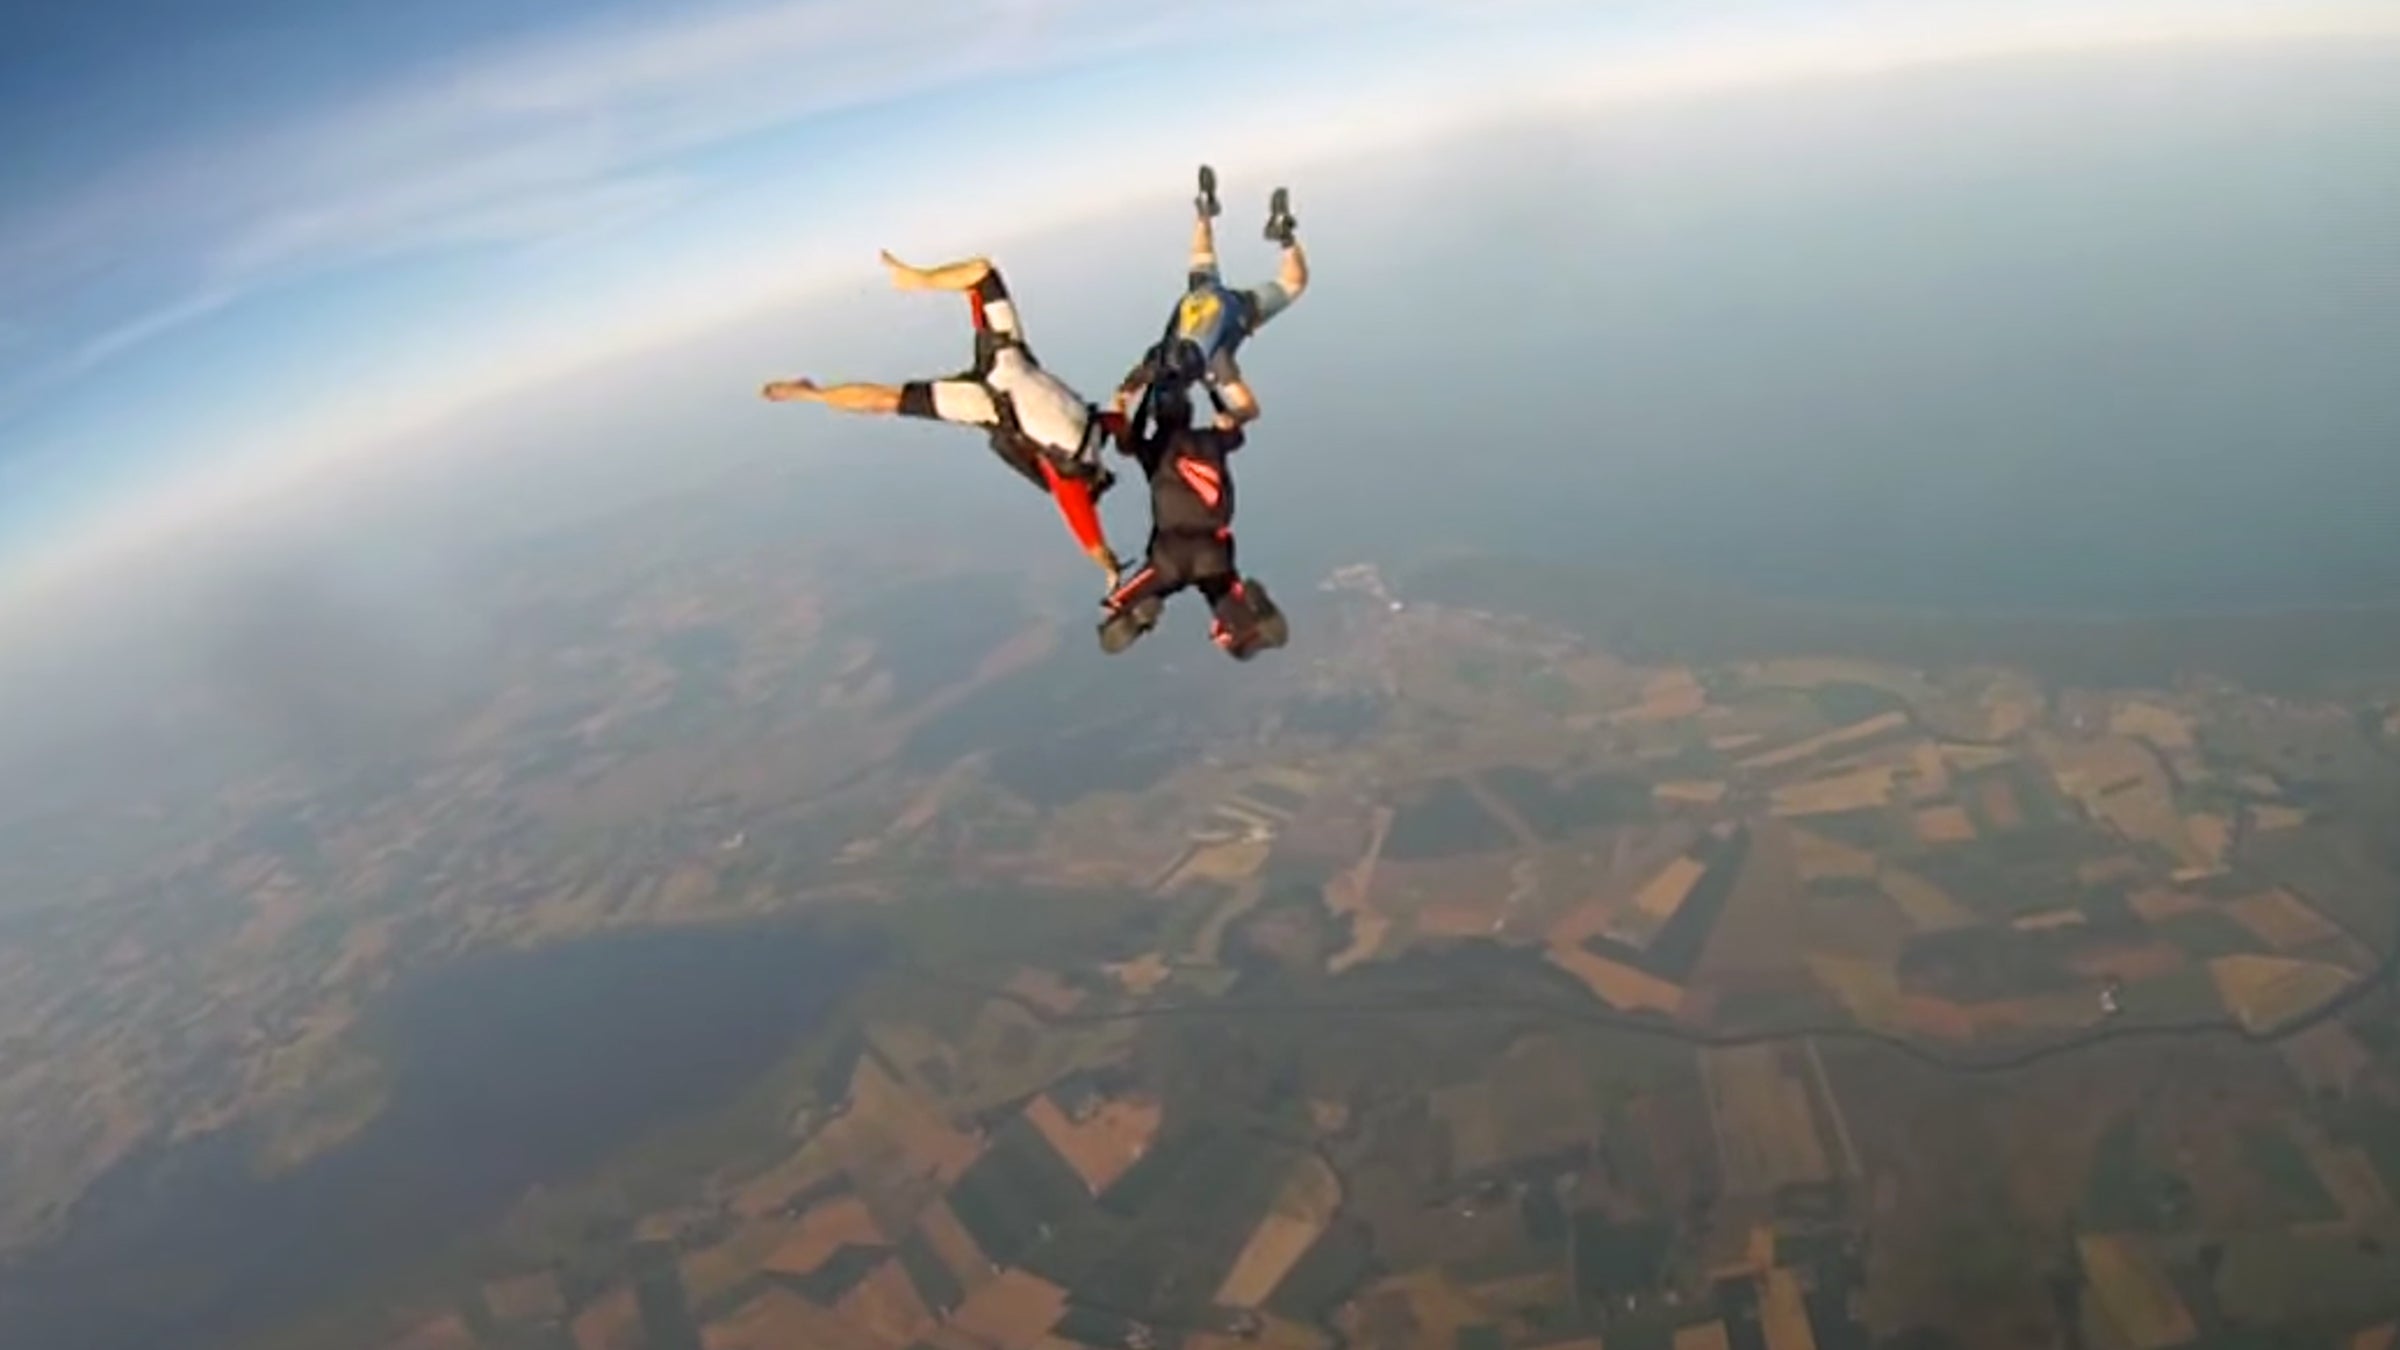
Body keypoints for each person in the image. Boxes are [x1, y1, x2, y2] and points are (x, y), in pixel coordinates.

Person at [761, 251, 1127, 585]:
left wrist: (1108, 568)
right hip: (1012, 360)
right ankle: (916, 280)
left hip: (988, 400)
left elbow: (1086, 532)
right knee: (983, 274)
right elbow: (1116, 423)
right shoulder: (1093, 436)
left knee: (887, 398)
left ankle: (809, 392)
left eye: (1099, 482)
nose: (1102, 476)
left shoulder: (1068, 478)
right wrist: (1134, 403)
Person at [1095, 356, 1288, 660]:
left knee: (1126, 608)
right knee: (1221, 595)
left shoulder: (1152, 450)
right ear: (1188, 412)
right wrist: (1222, 381)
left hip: (1178, 549)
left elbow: (1119, 430)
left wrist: (1131, 388)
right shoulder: (1211, 440)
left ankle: (1136, 615)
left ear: (1159, 417)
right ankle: (1246, 627)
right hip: (1208, 544)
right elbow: (1250, 411)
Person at [1155, 164, 1308, 428]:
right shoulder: (1162, 352)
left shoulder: (1217, 366)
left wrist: (1234, 417)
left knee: (1293, 283)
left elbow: (1250, 408)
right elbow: (1128, 388)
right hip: (1203, 293)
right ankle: (1204, 210)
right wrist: (1122, 399)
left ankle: (1285, 236)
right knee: (1202, 254)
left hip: (1242, 309)